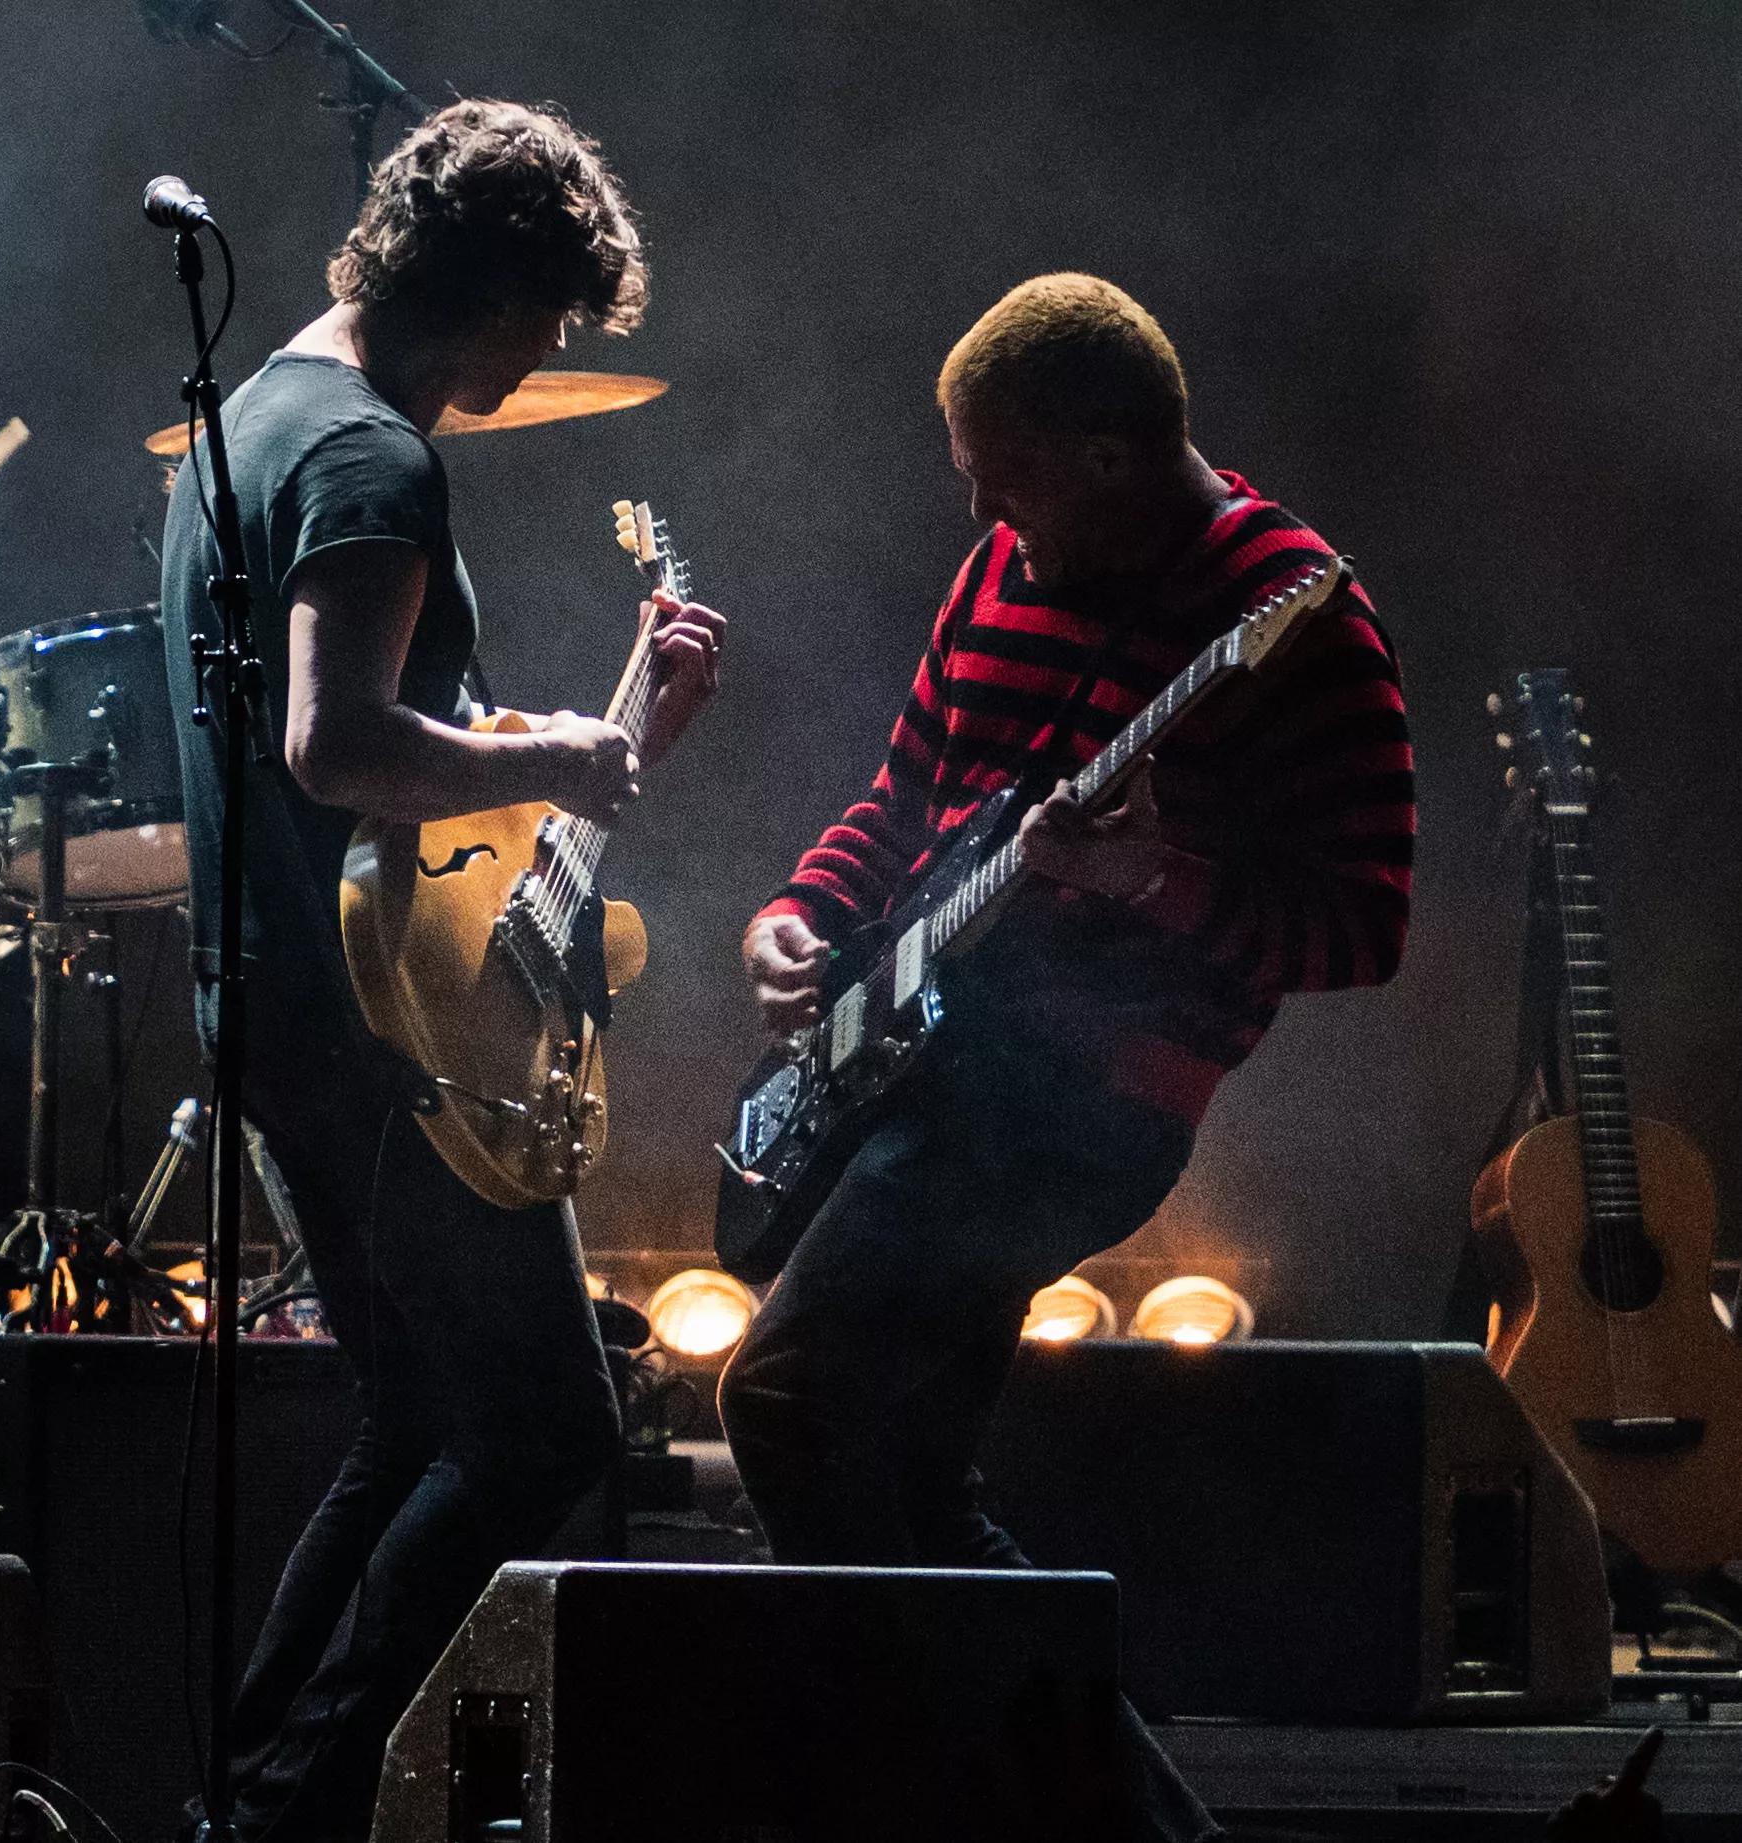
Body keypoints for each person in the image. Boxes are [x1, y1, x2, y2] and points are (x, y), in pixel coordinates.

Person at [718, 273, 1415, 1841]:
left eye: (1006, 475)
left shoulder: (1292, 619)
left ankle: (928, 1794)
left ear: (1108, 456)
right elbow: (908, 793)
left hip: (1083, 1107)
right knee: (912, 1486)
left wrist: (1150, 879)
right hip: (927, 1065)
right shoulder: (1010, 561)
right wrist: (796, 912)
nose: (979, 512)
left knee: (788, 1395)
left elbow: (1364, 926)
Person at [160, 100, 722, 1842]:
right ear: (486, 287)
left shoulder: (256, 417)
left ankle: (245, 1799)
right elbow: (335, 746)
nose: (546, 354)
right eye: (545, 315)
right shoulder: (371, 459)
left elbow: (374, 759)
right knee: (543, 1430)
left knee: (412, 1420)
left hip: (284, 1007)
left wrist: (584, 736)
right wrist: (555, 759)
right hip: (378, 1036)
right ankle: (284, 1803)